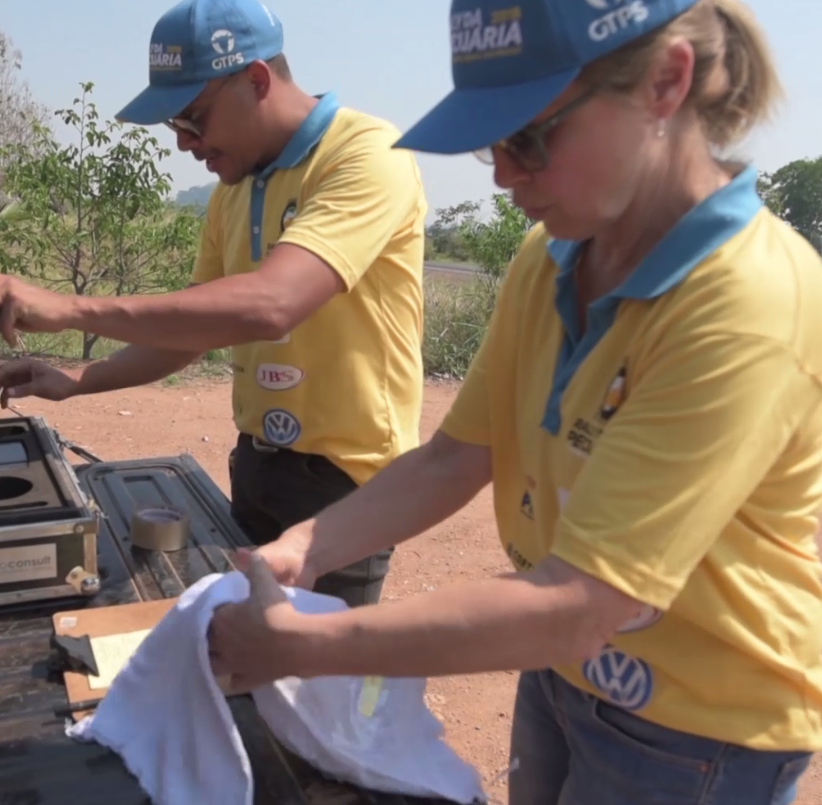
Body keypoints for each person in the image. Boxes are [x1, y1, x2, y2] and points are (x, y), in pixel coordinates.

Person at [205, 0, 822, 803]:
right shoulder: (553, 255)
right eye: (491, 140)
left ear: (666, 83)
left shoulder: (744, 305)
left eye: (527, 137)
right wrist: (309, 544)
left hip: (698, 719)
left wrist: (306, 646)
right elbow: (460, 454)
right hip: (565, 666)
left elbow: (581, 601)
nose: (501, 174)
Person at [0, 0, 430, 607]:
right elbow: (197, 327)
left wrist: (67, 307)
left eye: (194, 118)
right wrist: (75, 378)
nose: (185, 144)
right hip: (257, 462)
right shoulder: (234, 189)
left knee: (314, 687)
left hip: (346, 486)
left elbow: (271, 304)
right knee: (244, 665)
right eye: (175, 126)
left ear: (256, 80)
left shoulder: (365, 155)